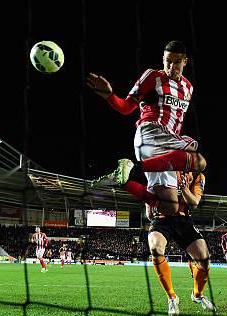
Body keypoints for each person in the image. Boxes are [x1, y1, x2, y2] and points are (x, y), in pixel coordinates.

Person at [88, 41, 207, 216]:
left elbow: (176, 120)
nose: (171, 66)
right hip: (151, 133)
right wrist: (109, 95)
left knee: (170, 207)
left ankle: (122, 180)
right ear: (163, 59)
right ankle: (134, 168)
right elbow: (126, 107)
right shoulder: (152, 76)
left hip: (165, 146)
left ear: (185, 62)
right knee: (200, 162)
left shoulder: (188, 88)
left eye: (176, 62)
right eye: (168, 61)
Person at [145, 171, 215, 316]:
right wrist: (148, 205)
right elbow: (151, 189)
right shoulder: (162, 169)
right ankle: (172, 297)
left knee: (204, 258)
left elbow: (194, 203)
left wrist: (183, 189)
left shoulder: (197, 176)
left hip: (184, 221)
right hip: (162, 219)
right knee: (155, 246)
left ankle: (197, 294)